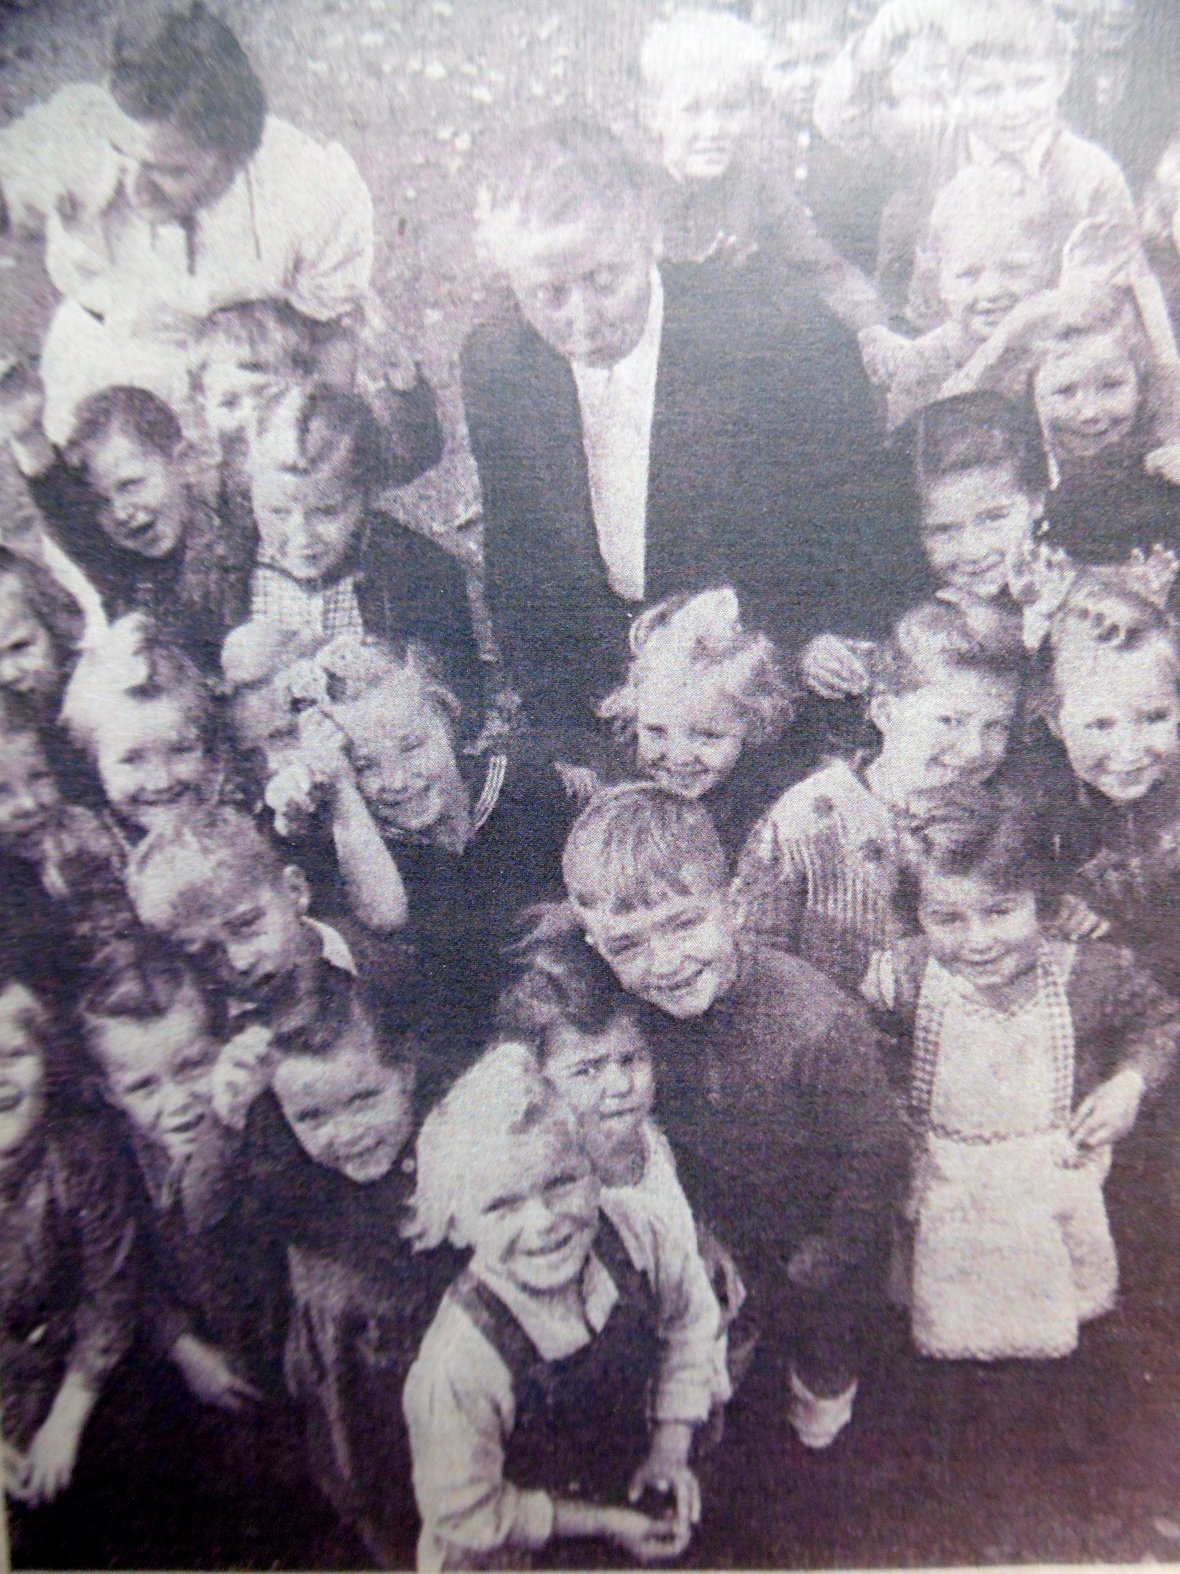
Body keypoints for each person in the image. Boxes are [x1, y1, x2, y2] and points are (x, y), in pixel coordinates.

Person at [463, 116, 912, 740]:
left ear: (649, 235)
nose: (583, 322)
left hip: (768, 686)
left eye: (604, 282)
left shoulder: (778, 337)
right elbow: (522, 564)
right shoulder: (499, 363)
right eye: (548, 295)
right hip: (602, 694)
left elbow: (862, 527)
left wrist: (800, 644)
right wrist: (567, 734)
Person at [561, 785, 905, 1449]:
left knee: (824, 1343)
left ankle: (822, 1412)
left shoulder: (813, 1020)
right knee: (724, 1338)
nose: (665, 963)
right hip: (717, 1224)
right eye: (627, 945)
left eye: (684, 925)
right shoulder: (631, 1017)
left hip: (820, 1228)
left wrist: (832, 1252)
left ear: (735, 904)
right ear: (596, 946)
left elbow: (878, 1150)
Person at [862, 793, 1180, 1360]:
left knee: (1060, 1325)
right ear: (917, 917)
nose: (977, 940)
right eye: (947, 919)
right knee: (944, 1325)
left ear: (1044, 904)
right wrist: (893, 1115)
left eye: (1001, 911)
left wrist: (1129, 1083)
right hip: (947, 1189)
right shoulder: (905, 976)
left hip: (1050, 1183)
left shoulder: (1091, 972)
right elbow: (870, 1051)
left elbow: (1162, 1021)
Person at [404, 1041, 718, 1570]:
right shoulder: (460, 1362)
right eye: (502, 1205)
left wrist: (670, 1445)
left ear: (593, 1169)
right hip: (518, 1546)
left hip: (627, 1480)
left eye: (561, 1181)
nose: (543, 1221)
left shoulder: (637, 1232)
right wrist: (605, 1523)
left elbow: (689, 1320)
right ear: (454, 1225)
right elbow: (467, 1512)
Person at [0, 3, 374, 444]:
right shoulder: (78, 129)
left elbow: (330, 338)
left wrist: (311, 447)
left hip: (244, 379)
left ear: (237, 154)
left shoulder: (315, 189)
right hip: (106, 354)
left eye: (171, 171)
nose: (137, 190)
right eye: (124, 154)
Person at [263, 634, 568, 1053]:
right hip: (457, 1048)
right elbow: (386, 915)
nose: (396, 781)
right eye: (363, 765)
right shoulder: (364, 848)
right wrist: (342, 792)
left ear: (447, 723)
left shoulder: (523, 788)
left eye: (412, 747)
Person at [497, 924, 734, 1411]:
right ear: (536, 1077)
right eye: (587, 1069)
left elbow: (679, 1222)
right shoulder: (554, 1189)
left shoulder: (657, 1141)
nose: (620, 1086)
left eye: (631, 1059)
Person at [739, 599, 1025, 990]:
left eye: (996, 727)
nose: (975, 749)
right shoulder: (806, 818)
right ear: (887, 714)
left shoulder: (1005, 815)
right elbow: (754, 956)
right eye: (950, 721)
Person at [268, 987, 460, 1568]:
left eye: (364, 1099)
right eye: (312, 1117)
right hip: (366, 1416)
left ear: (406, 1072)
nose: (346, 1132)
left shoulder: (452, 1152)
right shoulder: (301, 1196)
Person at [639, 8, 884, 332]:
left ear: (751, 110)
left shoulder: (756, 183)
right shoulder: (632, 191)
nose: (713, 129)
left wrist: (879, 333)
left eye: (730, 109)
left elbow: (826, 269)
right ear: (653, 114)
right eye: (692, 110)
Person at [240, 385, 475, 714]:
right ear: (251, 493)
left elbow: (462, 704)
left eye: (327, 512)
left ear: (367, 495)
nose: (301, 535)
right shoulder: (227, 568)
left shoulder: (419, 572)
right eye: (277, 512)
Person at [0, 969, 136, 1519]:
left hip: (79, 1378)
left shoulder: (81, 1156)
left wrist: (66, 1419)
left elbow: (111, 1291)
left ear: (47, 1060)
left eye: (14, 1054)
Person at [125, 803, 421, 1053]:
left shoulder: (397, 965)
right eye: (206, 952)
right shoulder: (211, 1038)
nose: (239, 962)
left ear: (295, 890)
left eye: (245, 925)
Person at [8, 381, 252, 668]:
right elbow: (63, 508)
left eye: (130, 485)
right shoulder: (126, 571)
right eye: (99, 502)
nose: (120, 512)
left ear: (184, 462)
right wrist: (27, 436)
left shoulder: (240, 531)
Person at [594, 588, 797, 858]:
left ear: (753, 726)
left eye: (707, 736)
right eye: (656, 731)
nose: (678, 757)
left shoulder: (766, 819)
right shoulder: (614, 800)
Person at [865, 163, 1059, 429]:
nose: (992, 291)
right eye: (969, 274)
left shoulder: (1062, 343)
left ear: (1046, 265)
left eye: (1014, 269)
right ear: (941, 279)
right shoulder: (923, 363)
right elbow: (917, 446)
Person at [60, 613, 231, 841]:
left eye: (181, 750)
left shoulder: (246, 831)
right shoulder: (89, 850)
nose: (162, 781)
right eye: (132, 760)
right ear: (94, 765)